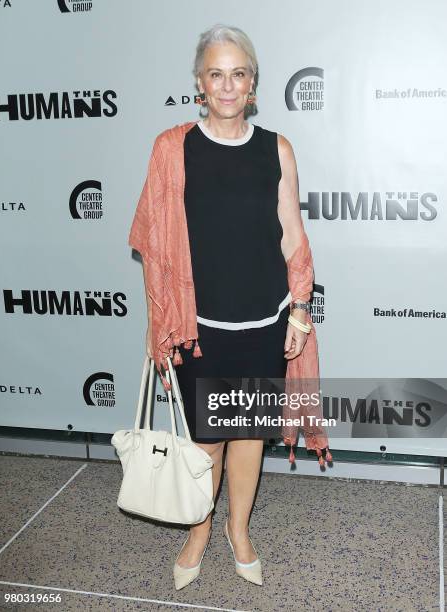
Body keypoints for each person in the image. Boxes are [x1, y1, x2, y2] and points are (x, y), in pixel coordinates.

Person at [128, 24, 330, 591]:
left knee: (247, 435)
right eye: (216, 73)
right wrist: (161, 325)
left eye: (238, 73)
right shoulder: (172, 149)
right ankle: (199, 530)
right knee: (206, 441)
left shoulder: (276, 149)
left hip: (264, 323)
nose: (227, 84)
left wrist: (298, 309)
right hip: (201, 330)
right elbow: (153, 241)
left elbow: (293, 235)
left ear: (253, 85)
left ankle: (239, 531)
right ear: (199, 83)